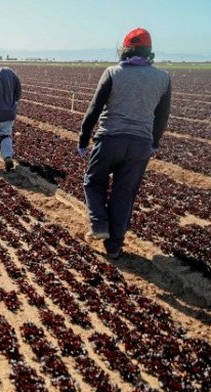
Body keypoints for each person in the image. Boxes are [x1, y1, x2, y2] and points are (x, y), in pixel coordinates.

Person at [77, 28, 171, 259]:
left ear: (124, 49)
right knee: (124, 194)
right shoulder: (163, 78)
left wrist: (83, 139)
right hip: (140, 145)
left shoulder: (113, 72)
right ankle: (115, 246)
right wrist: (154, 143)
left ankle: (99, 224)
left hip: (110, 139)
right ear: (149, 52)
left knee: (93, 182)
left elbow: (94, 110)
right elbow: (162, 116)